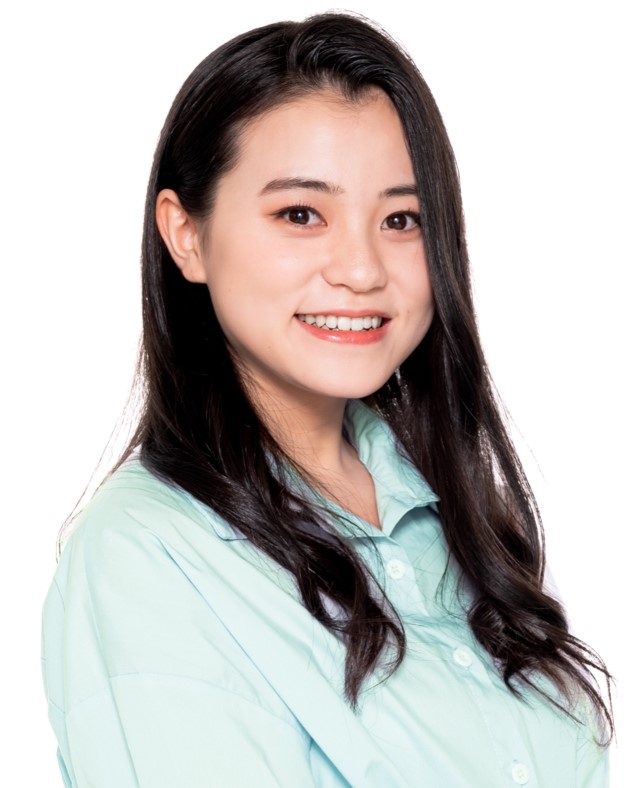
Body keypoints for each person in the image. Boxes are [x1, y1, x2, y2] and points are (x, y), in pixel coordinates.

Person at [41, 12, 612, 787]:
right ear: (185, 235)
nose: (363, 269)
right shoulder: (146, 556)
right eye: (301, 215)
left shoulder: (454, 514)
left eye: (402, 219)